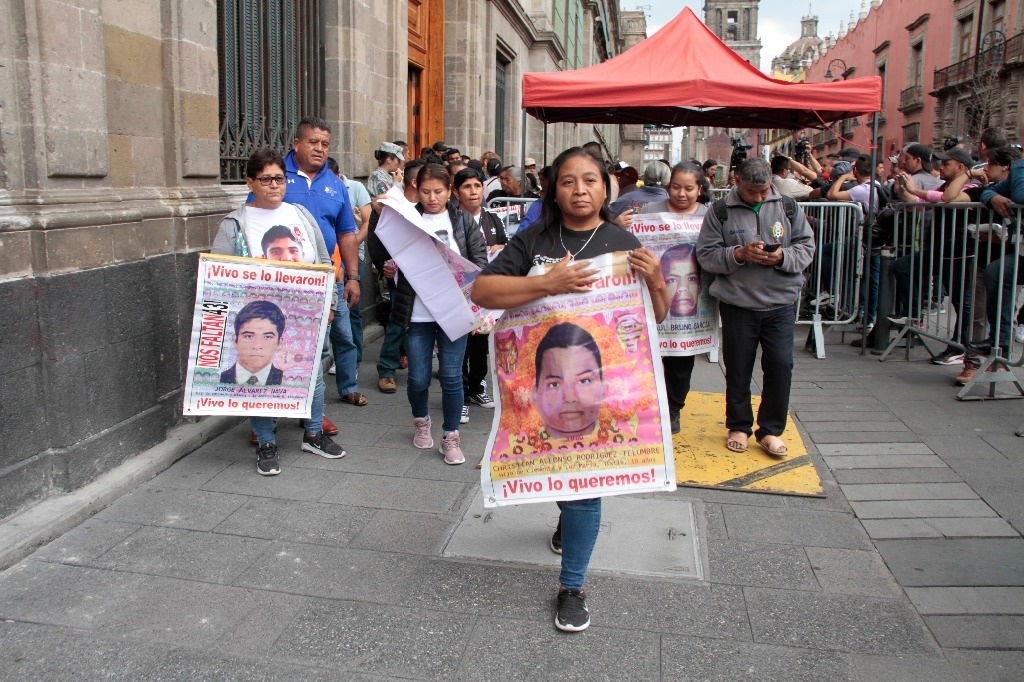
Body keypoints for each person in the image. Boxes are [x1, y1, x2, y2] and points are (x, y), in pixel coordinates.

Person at [471, 146, 669, 633]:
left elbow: (652, 320)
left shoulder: (623, 240)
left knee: (586, 490)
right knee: (564, 476)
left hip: (601, 393)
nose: (580, 190)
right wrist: (547, 282)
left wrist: (659, 283)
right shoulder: (534, 237)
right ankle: (568, 513)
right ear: (554, 190)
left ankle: (572, 586)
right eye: (568, 182)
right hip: (541, 390)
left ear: (606, 188)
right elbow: (482, 291)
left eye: (590, 181)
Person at [212, 148, 346, 475]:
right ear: (250, 183)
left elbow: (324, 262)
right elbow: (218, 274)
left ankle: (313, 434)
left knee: (312, 374)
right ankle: (266, 440)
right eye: (266, 179)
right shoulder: (235, 224)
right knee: (258, 376)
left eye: (279, 178)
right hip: (258, 317)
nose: (275, 186)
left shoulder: (300, 215)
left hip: (305, 314)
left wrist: (329, 304)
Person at [696, 157, 815, 457]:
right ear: (736, 181)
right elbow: (706, 254)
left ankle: (771, 429)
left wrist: (783, 257)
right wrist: (738, 254)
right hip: (739, 303)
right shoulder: (720, 211)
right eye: (752, 192)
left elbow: (806, 247)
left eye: (764, 190)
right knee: (738, 366)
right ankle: (738, 425)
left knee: (780, 365)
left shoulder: (788, 206)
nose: (759, 197)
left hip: (781, 302)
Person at [371, 163, 488, 464]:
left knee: (451, 377)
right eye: (425, 191)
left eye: (438, 191)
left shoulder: (462, 222)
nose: (432, 197)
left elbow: (480, 264)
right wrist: (390, 267)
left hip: (454, 312)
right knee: (419, 378)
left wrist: (478, 309)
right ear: (415, 190)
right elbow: (391, 254)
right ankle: (421, 420)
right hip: (417, 313)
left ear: (450, 190)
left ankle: (450, 436)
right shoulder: (409, 220)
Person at [279, 117, 364, 409]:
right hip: (285, 282)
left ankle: (316, 406)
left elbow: (346, 234)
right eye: (313, 142)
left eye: (325, 144)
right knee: (286, 345)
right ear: (296, 143)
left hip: (330, 280)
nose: (319, 149)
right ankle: (274, 412)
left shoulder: (335, 185)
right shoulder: (277, 176)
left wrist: (353, 276)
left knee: (332, 341)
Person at [642, 161, 709, 435]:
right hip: (656, 298)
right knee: (651, 358)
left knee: (682, 360)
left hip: (691, 309)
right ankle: (650, 406)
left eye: (689, 188)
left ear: (700, 189)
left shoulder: (710, 215)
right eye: (676, 187)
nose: (681, 194)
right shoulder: (649, 212)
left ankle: (673, 409)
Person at [454, 167, 507, 415]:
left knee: (481, 343)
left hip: (486, 291)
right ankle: (461, 395)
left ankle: (477, 387)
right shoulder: (453, 220)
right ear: (456, 192)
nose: (473, 191)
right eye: (467, 187)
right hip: (460, 291)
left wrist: (499, 247)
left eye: (477, 186)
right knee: (461, 345)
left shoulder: (492, 218)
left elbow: (506, 248)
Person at [531, 323, 606, 439]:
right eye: (554, 384)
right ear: (534, 393)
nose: (570, 398)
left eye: (584, 381)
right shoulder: (513, 451)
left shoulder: (632, 446)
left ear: (604, 389)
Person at [220, 300, 286, 386]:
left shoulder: (288, 380)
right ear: (235, 340)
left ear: (279, 343)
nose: (257, 346)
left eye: (268, 337)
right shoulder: (216, 379)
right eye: (248, 336)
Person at [610, 161, 670, 227]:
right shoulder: (675, 205)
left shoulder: (623, 200)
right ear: (668, 180)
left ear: (645, 178)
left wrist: (615, 225)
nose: (618, 179)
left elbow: (602, 227)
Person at [367, 142, 405, 211]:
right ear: (389, 160)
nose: (399, 163)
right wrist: (396, 183)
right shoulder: (377, 176)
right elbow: (389, 200)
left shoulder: (388, 175)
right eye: (398, 160)